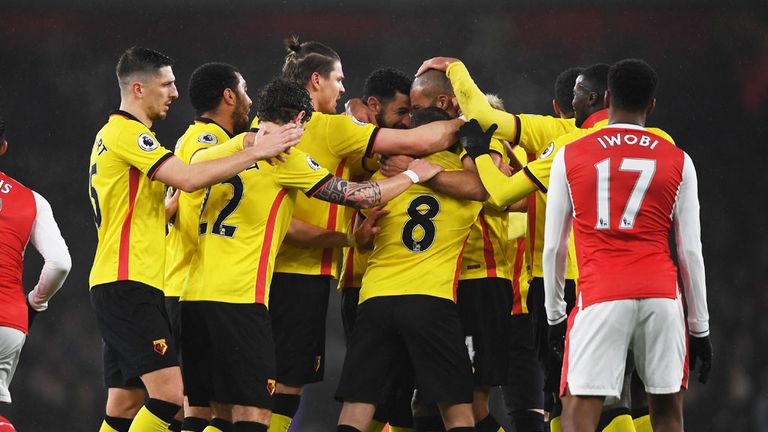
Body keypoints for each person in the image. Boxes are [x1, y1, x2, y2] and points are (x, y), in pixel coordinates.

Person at [180, 77, 443, 432]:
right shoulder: (286, 159)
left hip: (193, 299)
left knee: (212, 414)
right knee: (254, 415)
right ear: (300, 120)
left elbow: (279, 223)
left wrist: (347, 239)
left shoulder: (218, 152)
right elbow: (358, 195)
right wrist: (413, 174)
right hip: (240, 299)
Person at [88, 46, 302, 432]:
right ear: (138, 88)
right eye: (167, 85)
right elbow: (188, 177)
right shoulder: (129, 134)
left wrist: (165, 209)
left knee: (124, 403)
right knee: (170, 397)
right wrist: (257, 147)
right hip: (130, 280)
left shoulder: (108, 136)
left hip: (120, 280)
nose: (174, 93)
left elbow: (135, 206)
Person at [265, 37, 463, 432]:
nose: (343, 89)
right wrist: (467, 117)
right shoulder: (329, 128)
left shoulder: (262, 134)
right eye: (339, 79)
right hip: (302, 275)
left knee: (243, 395)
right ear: (316, 80)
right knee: (288, 388)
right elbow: (418, 141)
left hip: (257, 273)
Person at [542, 59, 712, 431]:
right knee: (666, 413)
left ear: (605, 98)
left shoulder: (570, 156)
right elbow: (690, 252)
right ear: (651, 105)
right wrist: (699, 328)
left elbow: (554, 247)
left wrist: (555, 315)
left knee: (578, 413)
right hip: (662, 297)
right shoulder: (679, 160)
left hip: (601, 294)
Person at [335, 110, 487, 432]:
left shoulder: (386, 178)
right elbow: (484, 187)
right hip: (431, 300)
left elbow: (363, 237)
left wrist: (361, 236)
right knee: (458, 412)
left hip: (376, 299)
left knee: (357, 405)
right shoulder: (461, 178)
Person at [160, 61, 253, 432]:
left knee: (202, 408)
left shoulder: (194, 139)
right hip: (193, 286)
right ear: (229, 96)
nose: (249, 99)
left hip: (185, 286)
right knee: (217, 408)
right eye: (244, 89)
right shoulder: (207, 143)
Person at [338, 67, 415, 432]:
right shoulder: (357, 142)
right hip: (362, 284)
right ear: (374, 106)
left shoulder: (407, 146)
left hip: (411, 286)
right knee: (373, 396)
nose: (408, 120)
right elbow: (348, 117)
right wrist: (353, 112)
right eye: (401, 111)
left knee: (402, 399)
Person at [0, 115, 71, 409]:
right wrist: (35, 303)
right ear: (2, 147)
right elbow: (59, 263)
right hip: (9, 321)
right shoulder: (32, 200)